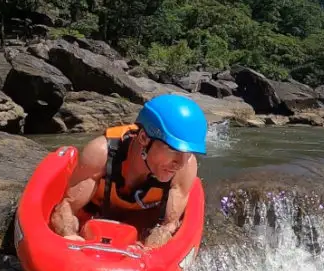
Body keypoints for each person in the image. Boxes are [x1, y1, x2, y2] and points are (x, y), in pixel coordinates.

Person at [49, 93, 208, 248]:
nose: (180, 163)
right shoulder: (101, 154)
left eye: (188, 153)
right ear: (144, 138)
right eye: (173, 149)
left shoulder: (185, 168)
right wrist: (69, 236)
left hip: (142, 224)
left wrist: (148, 251)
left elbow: (169, 226)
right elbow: (66, 208)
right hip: (95, 218)